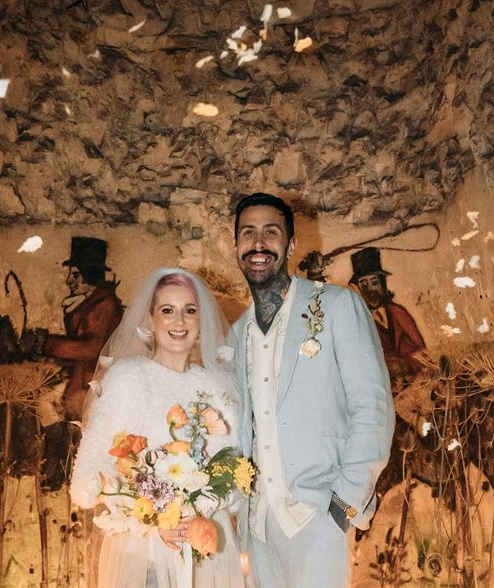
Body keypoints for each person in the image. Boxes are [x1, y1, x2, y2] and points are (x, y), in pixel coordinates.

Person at [228, 192, 395, 588]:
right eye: (248, 233)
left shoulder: (337, 306)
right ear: (235, 246)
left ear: (291, 245)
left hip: (320, 514)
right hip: (259, 526)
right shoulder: (236, 335)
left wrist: (344, 502)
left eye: (271, 232)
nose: (258, 243)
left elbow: (372, 407)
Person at [69, 268, 245, 588]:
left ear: (201, 320)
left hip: (206, 559)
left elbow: (234, 486)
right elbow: (85, 483)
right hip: (143, 558)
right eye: (167, 311)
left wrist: (198, 509)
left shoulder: (218, 389)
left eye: (189, 311)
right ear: (150, 320)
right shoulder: (128, 378)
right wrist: (152, 518)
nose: (179, 321)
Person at [26, 237, 124, 418]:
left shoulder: (104, 305)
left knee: (46, 408)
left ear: (89, 276)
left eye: (75, 275)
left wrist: (45, 343)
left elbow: (90, 349)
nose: (68, 280)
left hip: (94, 383)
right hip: (83, 375)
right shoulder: (87, 303)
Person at [349, 247, 426, 387]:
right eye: (364, 284)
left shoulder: (398, 313)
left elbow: (422, 353)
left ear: (383, 284)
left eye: (374, 282)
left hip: (415, 385)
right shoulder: (358, 321)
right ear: (358, 288)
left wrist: (405, 364)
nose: (370, 290)